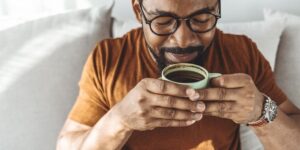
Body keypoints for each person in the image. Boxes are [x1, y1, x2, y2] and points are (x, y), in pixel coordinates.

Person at [56, 0, 300, 149]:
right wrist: (120, 120)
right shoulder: (109, 59)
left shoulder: (241, 53)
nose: (183, 40)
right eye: (163, 21)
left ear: (217, 8)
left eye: (202, 19)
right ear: (138, 11)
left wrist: (261, 110)